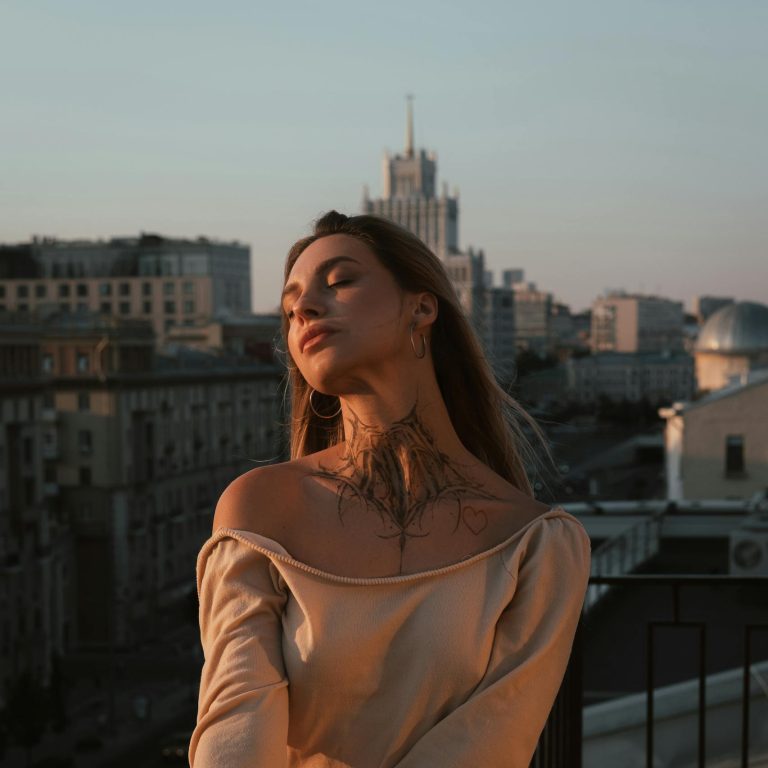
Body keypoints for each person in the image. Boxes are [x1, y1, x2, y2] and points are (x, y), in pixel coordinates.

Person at [188, 211, 592, 767]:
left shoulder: (537, 546)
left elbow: (489, 744)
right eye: (289, 307)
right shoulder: (260, 510)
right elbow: (235, 729)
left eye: (340, 281)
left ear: (422, 307)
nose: (303, 308)